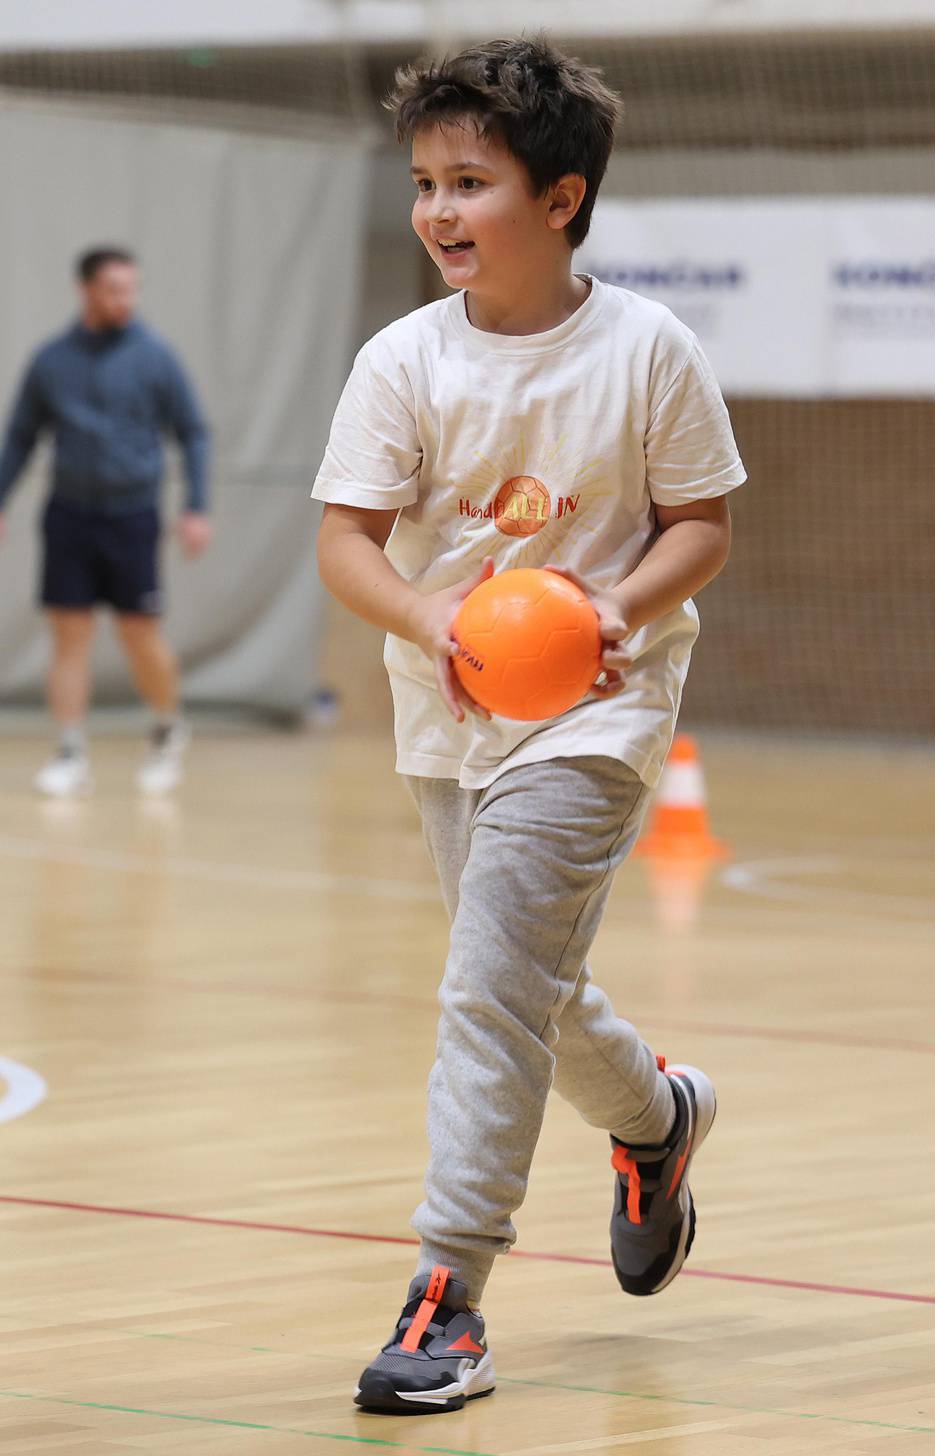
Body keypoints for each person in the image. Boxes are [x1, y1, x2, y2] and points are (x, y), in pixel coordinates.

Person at [310, 38, 746, 1415]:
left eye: (472, 183)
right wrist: (434, 625)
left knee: (488, 991)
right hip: (448, 711)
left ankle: (449, 1300)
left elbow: (703, 526)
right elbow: (346, 546)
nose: (440, 212)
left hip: (598, 718)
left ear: (561, 199)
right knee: (526, 988)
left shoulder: (648, 349)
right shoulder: (403, 360)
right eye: (425, 184)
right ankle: (657, 1117)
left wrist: (615, 606)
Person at [0, 247, 213, 797]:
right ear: (86, 290)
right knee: (70, 635)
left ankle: (166, 727)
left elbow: (193, 432)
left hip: (132, 515)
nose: (124, 300)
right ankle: (70, 752)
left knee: (138, 631)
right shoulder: (52, 361)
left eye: (132, 289)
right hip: (69, 514)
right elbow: (20, 436)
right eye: (114, 290)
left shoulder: (155, 358)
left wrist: (196, 506)